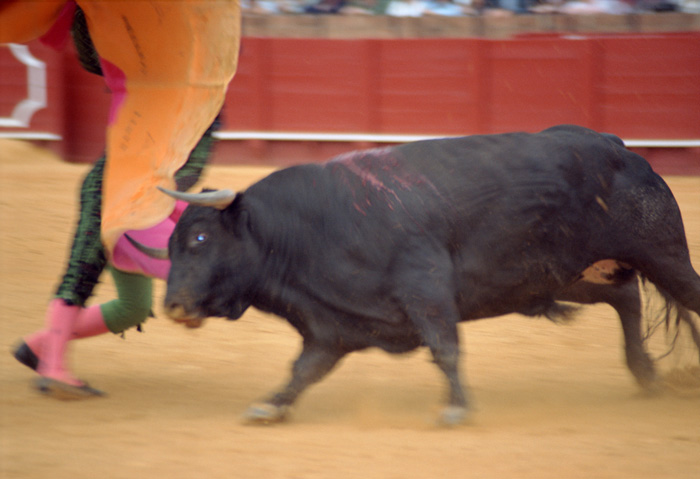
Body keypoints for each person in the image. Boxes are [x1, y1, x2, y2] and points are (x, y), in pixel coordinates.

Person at [1, 2, 235, 399]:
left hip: (140, 200)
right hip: (113, 187)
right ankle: (54, 367)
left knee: (132, 308)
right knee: (82, 273)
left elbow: (170, 185)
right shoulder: (186, 106)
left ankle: (39, 346)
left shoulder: (195, 114)